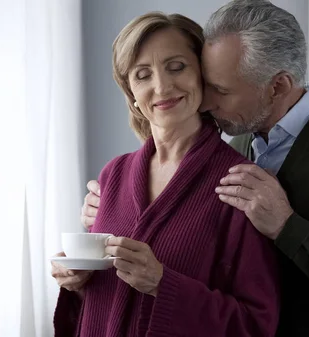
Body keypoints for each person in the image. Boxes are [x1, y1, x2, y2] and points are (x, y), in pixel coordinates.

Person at [81, 1, 309, 336]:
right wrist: (113, 210)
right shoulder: (241, 138)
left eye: (221, 90)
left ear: (278, 87)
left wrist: (287, 226)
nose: (207, 101)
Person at [51, 11, 282, 337]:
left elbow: (255, 326)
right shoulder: (113, 175)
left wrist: (163, 283)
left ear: (203, 75)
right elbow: (98, 304)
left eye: (177, 67)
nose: (162, 86)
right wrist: (76, 281)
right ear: (131, 93)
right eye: (142, 75)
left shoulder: (240, 185)